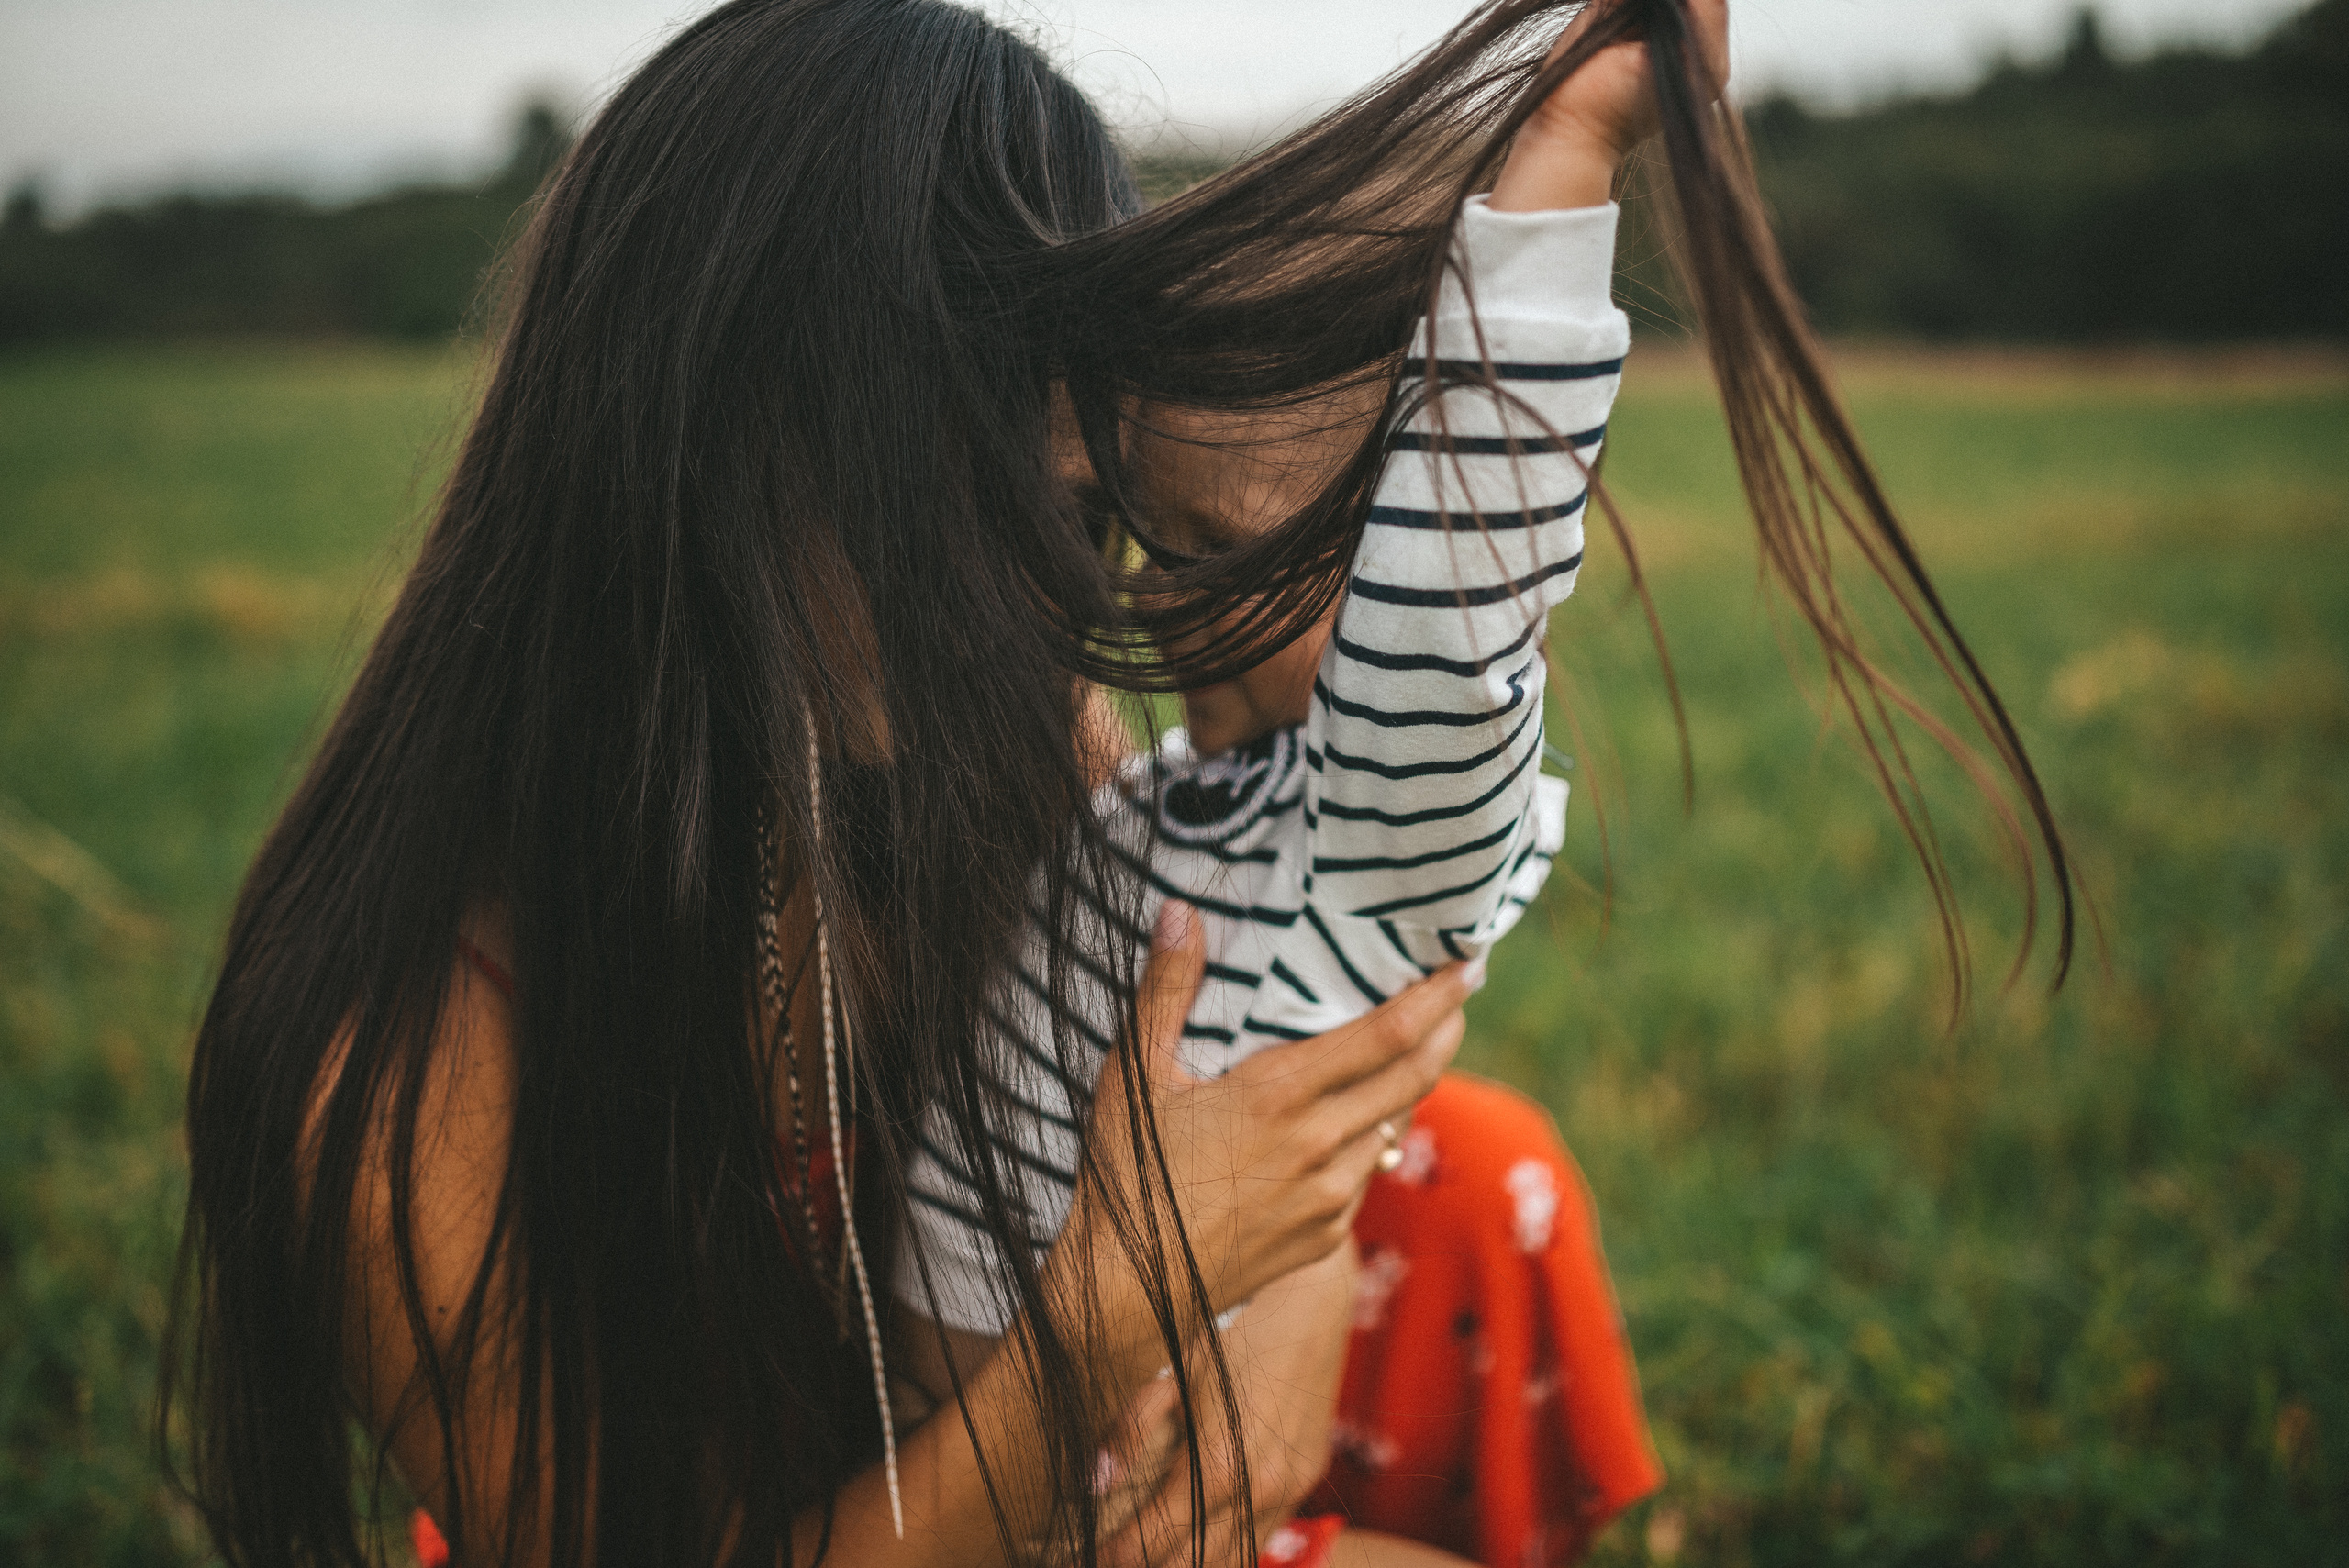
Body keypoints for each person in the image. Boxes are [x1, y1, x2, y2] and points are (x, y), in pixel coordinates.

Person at [163, 0, 2073, 1564]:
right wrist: (1120, 1310)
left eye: (1086, 517)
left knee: (1469, 1159)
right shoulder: (398, 1044)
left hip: (1060, 1474)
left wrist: (1275, 1269)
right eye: (987, 494)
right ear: (731, 433)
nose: (1057, 601)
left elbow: (1347, 845)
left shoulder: (979, 727)